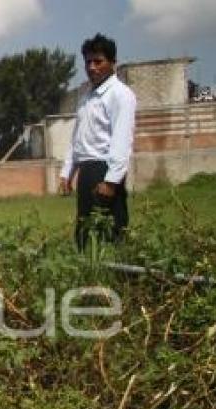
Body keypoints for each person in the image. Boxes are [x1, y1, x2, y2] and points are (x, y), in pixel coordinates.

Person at [60, 33, 136, 250]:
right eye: (88, 62)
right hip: (86, 171)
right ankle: (88, 277)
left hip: (105, 169)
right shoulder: (87, 98)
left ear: (113, 63)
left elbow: (122, 140)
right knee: (84, 231)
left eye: (98, 61)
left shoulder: (120, 95)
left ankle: (120, 278)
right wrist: (68, 172)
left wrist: (111, 181)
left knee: (113, 231)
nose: (92, 67)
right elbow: (77, 139)